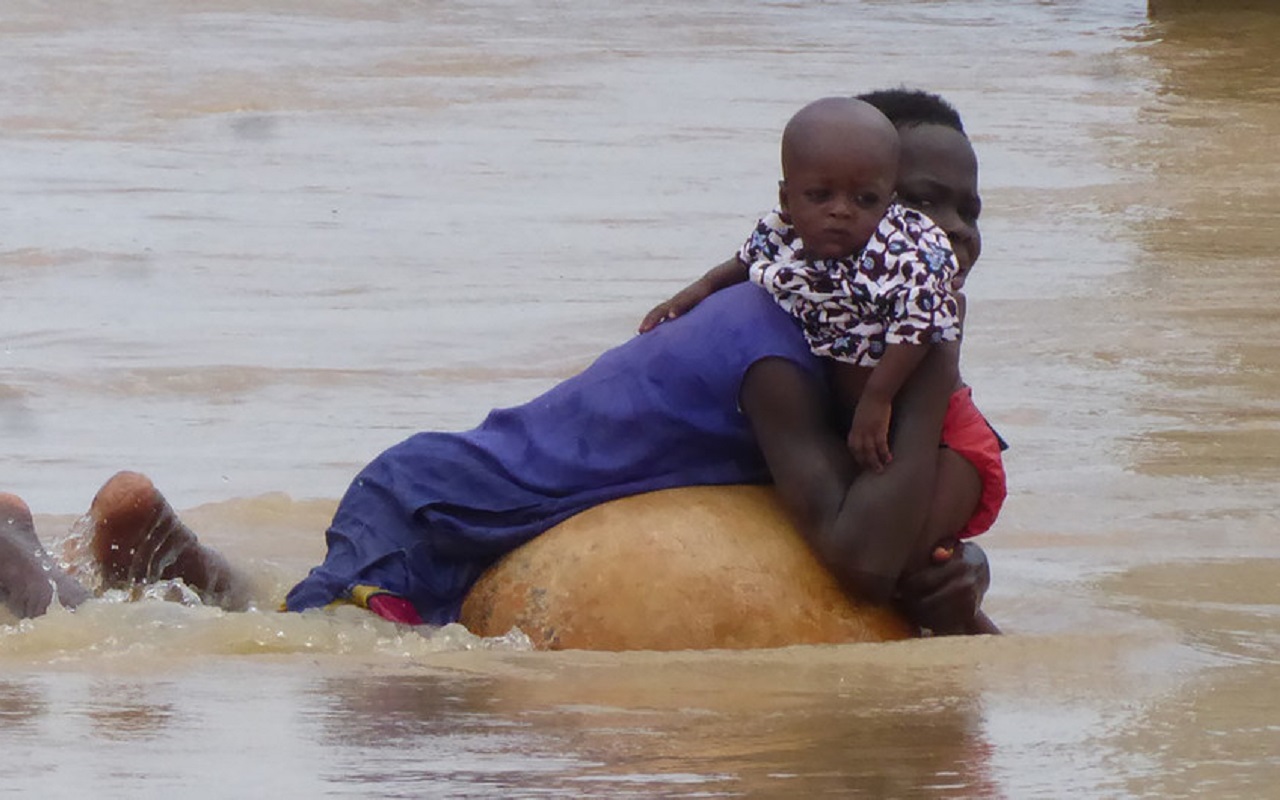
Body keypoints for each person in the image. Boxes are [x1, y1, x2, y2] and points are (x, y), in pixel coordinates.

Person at [0, 88, 998, 637]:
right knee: (307, 664)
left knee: (304, 619)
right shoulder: (769, 345)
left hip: (473, 512)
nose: (937, 236)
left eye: (963, 211)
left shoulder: (821, 333)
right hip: (436, 507)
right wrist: (936, 344)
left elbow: (911, 548)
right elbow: (862, 551)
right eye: (903, 208)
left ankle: (171, 563)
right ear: (798, 205)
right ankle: (39, 588)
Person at [641, 88, 1006, 550]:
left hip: (952, 444)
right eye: (924, 202)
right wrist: (698, 291)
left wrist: (923, 362)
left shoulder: (919, 298)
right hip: (871, 445)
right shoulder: (803, 263)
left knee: (913, 566)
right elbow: (748, 259)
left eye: (968, 212)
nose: (955, 226)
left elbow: (914, 335)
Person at [731, 96, 963, 475]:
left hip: (911, 413)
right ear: (786, 199)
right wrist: (692, 295)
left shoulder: (902, 254)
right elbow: (744, 261)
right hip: (841, 401)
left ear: (888, 203)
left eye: (865, 199)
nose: (841, 210)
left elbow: (920, 324)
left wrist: (878, 398)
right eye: (820, 195)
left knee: (881, 508)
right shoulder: (785, 228)